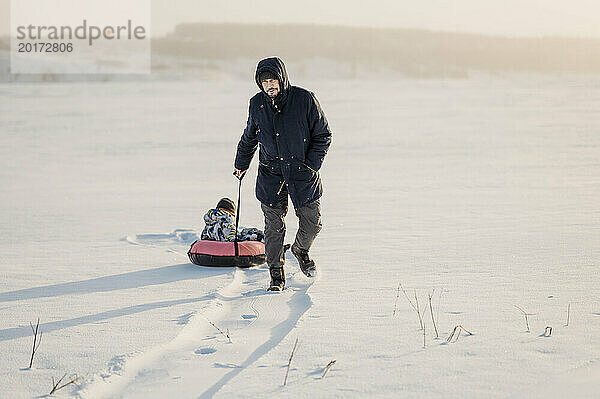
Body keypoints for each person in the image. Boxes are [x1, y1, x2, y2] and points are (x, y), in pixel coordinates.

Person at [233, 57, 332, 291]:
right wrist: (241, 162)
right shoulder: (256, 104)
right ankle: (276, 272)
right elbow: (249, 137)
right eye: (264, 81)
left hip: (301, 173)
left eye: (273, 79)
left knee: (312, 224)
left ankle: (300, 250)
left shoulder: (304, 99)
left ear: (282, 78)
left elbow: (323, 135)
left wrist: (311, 165)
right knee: (273, 226)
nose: (269, 85)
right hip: (271, 174)